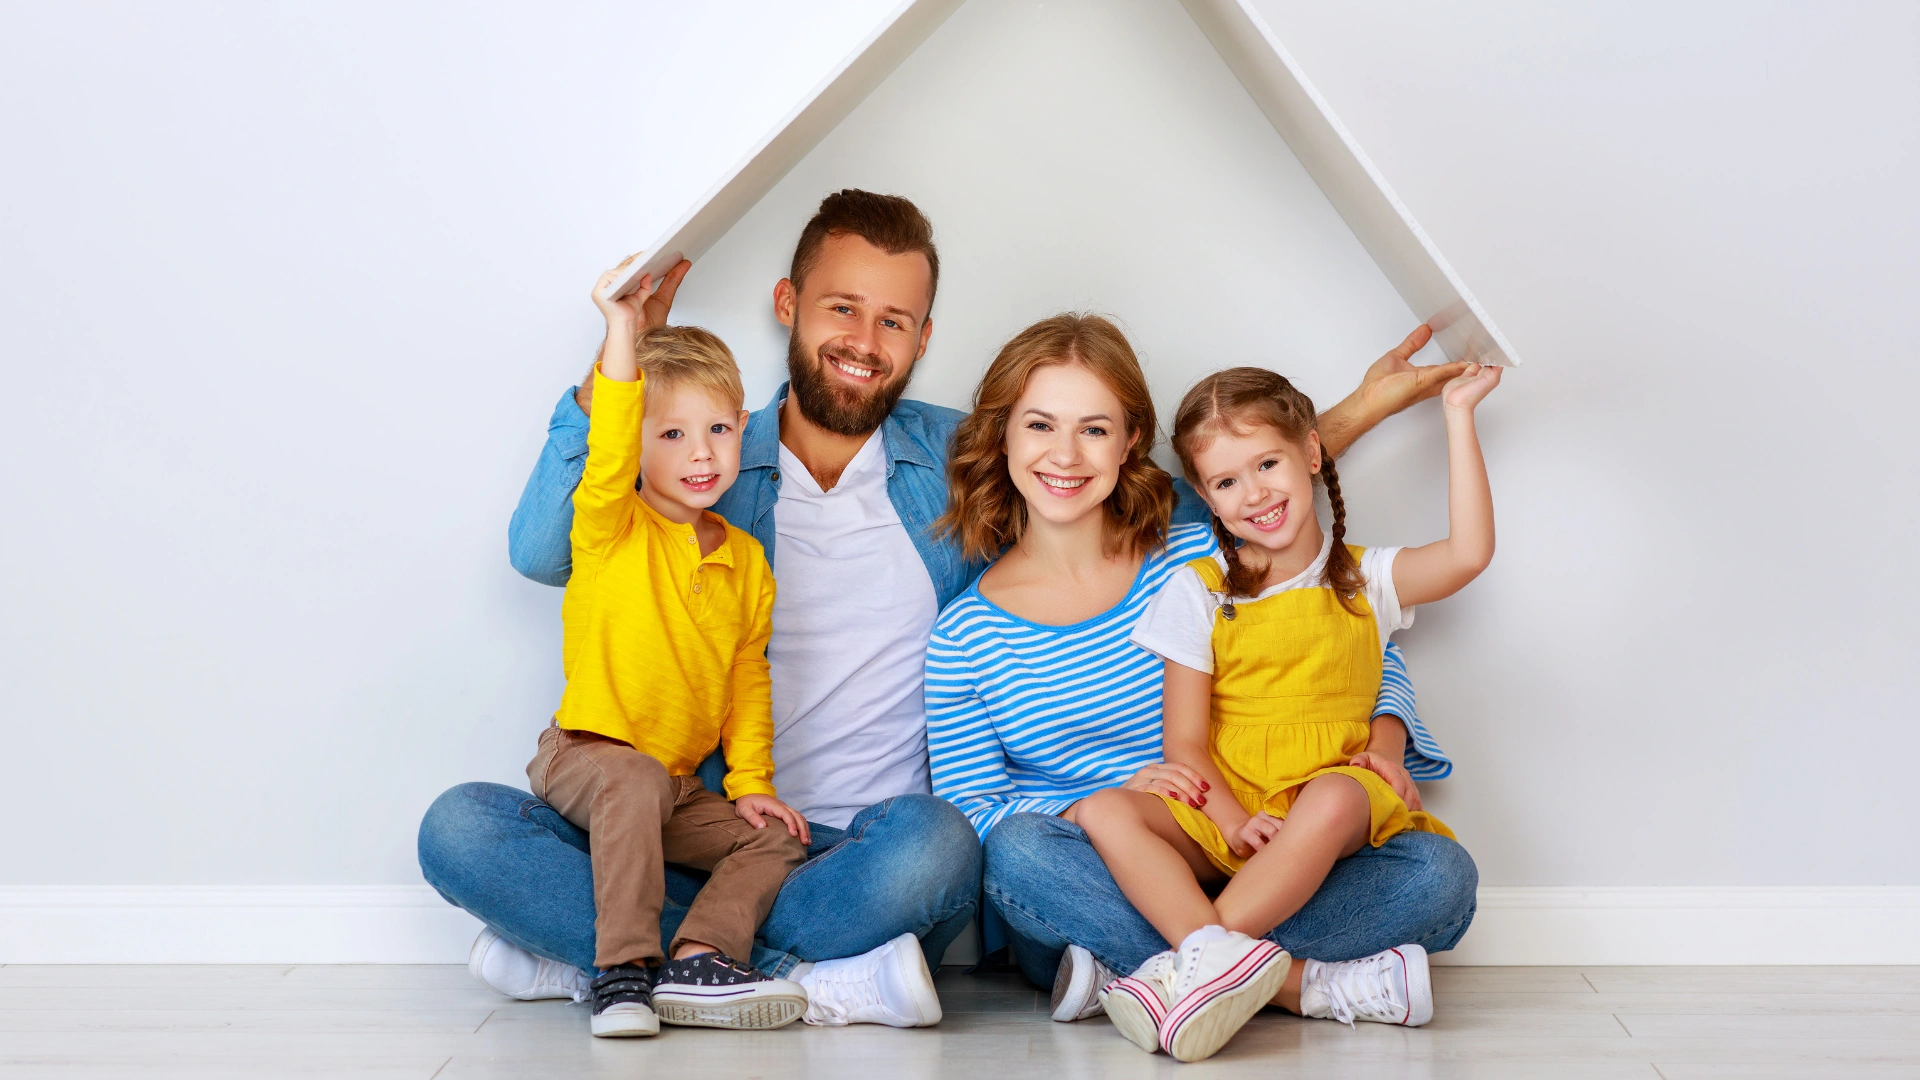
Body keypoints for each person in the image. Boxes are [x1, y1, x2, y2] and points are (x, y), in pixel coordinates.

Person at [418, 188, 1467, 1027]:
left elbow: (1235, 517)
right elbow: (546, 548)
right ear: (787, 306)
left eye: (895, 320)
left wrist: (1354, 413)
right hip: (721, 827)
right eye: (841, 308)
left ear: (924, 337)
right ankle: (788, 976)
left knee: (957, 850)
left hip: (887, 849)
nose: (864, 341)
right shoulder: (701, 460)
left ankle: (631, 958)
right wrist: (617, 372)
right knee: (463, 828)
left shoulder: (958, 462)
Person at [923, 315, 1477, 1040]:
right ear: (1002, 436)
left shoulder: (1196, 553)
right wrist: (1106, 798)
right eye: (1038, 425)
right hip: (1112, 874)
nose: (1065, 453)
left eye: (1093, 429)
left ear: (1129, 443)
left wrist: (1387, 739)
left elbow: (1345, 642)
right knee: (1023, 859)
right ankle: (1295, 985)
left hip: (1267, 846)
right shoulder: (964, 635)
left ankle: (1152, 976)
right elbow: (974, 816)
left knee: (1439, 875)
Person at [1084, 362, 1499, 1061]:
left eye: (1267, 463)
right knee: (1104, 812)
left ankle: (1190, 970)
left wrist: (1459, 415)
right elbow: (1184, 745)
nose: (1254, 494)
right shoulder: (1199, 592)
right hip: (1238, 801)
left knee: (1342, 800)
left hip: (1327, 801)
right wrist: (1232, 820)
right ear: (1209, 501)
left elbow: (1468, 554)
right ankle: (1247, 971)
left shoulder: (1368, 578)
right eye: (1226, 482)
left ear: (1311, 453)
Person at [530, 259, 815, 1038]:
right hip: (588, 755)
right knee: (626, 779)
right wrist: (623, 328)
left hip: (678, 786)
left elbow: (748, 679)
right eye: (673, 434)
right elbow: (611, 441)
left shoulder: (747, 561)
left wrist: (753, 781)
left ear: (743, 426)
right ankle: (621, 970)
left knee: (777, 840)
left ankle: (699, 958)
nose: (701, 453)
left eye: (718, 429)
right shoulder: (611, 523)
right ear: (639, 446)